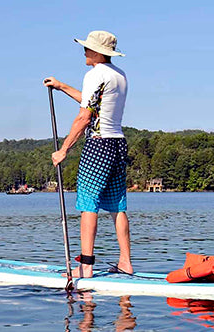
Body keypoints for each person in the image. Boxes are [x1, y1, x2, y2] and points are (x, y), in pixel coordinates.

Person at [43, 30, 131, 277]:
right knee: (117, 206)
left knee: (88, 205)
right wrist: (62, 87)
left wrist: (63, 150)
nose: (84, 51)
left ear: (98, 52)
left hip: (98, 145)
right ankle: (125, 262)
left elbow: (85, 116)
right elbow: (93, 103)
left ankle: (86, 267)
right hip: (118, 144)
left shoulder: (94, 74)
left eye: (88, 48)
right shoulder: (119, 75)